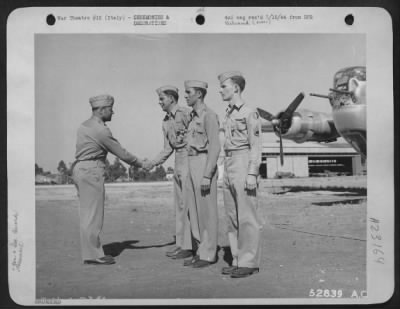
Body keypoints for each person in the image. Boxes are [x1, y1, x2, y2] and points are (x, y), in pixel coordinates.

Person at [72, 94, 145, 265]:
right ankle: (93, 255)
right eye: (111, 109)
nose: (113, 112)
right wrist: (141, 163)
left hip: (80, 168)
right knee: (93, 215)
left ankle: (90, 252)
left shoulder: (85, 125)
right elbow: (121, 153)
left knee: (86, 214)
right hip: (92, 171)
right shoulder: (100, 130)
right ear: (102, 110)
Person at [218, 71, 263, 278]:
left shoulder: (249, 112)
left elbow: (255, 146)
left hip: (243, 161)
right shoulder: (227, 113)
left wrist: (252, 173)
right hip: (229, 163)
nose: (220, 90)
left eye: (224, 86)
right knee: (232, 217)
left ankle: (249, 262)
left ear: (235, 88)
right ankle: (237, 259)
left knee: (247, 216)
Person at [143, 85, 193, 260]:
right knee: (179, 207)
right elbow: (167, 149)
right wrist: (151, 163)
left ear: (171, 98)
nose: (159, 103)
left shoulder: (187, 113)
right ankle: (182, 244)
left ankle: (191, 245)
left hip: (190, 160)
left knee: (188, 206)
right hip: (178, 162)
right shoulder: (165, 121)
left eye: (161, 99)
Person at [182, 80, 221, 268]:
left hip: (204, 162)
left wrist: (207, 174)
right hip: (191, 163)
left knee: (207, 212)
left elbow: (214, 146)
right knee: (194, 211)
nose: (185, 96)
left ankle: (209, 254)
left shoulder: (209, 116)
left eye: (188, 92)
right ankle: (200, 250)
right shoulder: (192, 117)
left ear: (199, 94)